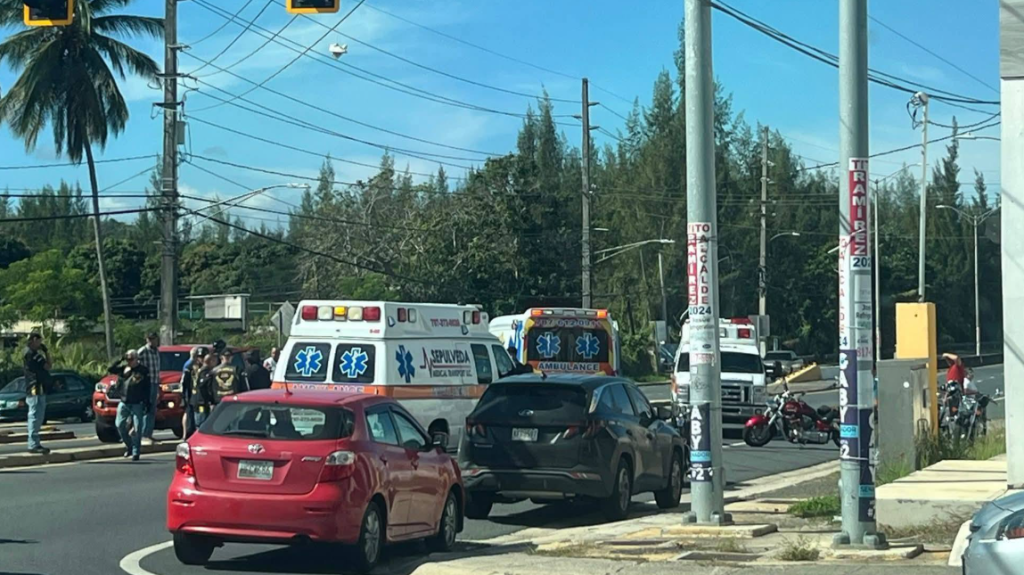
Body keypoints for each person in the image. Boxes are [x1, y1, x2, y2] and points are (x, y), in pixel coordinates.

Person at [109, 350, 152, 462]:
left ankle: (136, 451)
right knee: (119, 424)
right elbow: (111, 369)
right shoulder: (124, 369)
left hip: (137, 402)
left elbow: (147, 388)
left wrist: (147, 402)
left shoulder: (143, 371)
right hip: (124, 401)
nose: (129, 361)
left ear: (136, 359)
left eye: (131, 359)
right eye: (127, 359)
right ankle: (129, 445)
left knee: (137, 428)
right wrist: (120, 359)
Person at [24, 333, 51, 455]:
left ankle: (35, 442)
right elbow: (48, 366)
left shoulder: (33, 354)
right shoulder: (31, 354)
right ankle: (33, 444)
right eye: (39, 341)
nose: (40, 344)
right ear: (34, 340)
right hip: (35, 387)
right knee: (35, 415)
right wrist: (46, 352)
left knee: (39, 416)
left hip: (40, 387)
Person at [137, 332, 161, 445]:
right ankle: (143, 434)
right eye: (149, 339)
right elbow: (135, 366)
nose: (151, 341)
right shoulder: (142, 351)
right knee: (146, 409)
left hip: (155, 382)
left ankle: (148, 433)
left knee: (152, 409)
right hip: (146, 384)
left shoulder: (157, 352)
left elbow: (157, 369)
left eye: (153, 339)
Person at [181, 346, 207, 437]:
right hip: (193, 398)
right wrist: (184, 397)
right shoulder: (190, 368)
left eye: (203, 357)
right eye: (199, 357)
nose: (201, 359)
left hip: (205, 399)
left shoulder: (208, 369)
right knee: (196, 421)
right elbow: (185, 384)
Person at [191, 353, 220, 430]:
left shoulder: (199, 370)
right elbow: (204, 386)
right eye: (215, 361)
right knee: (201, 423)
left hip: (199, 400)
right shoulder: (206, 372)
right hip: (201, 402)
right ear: (211, 361)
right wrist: (211, 400)